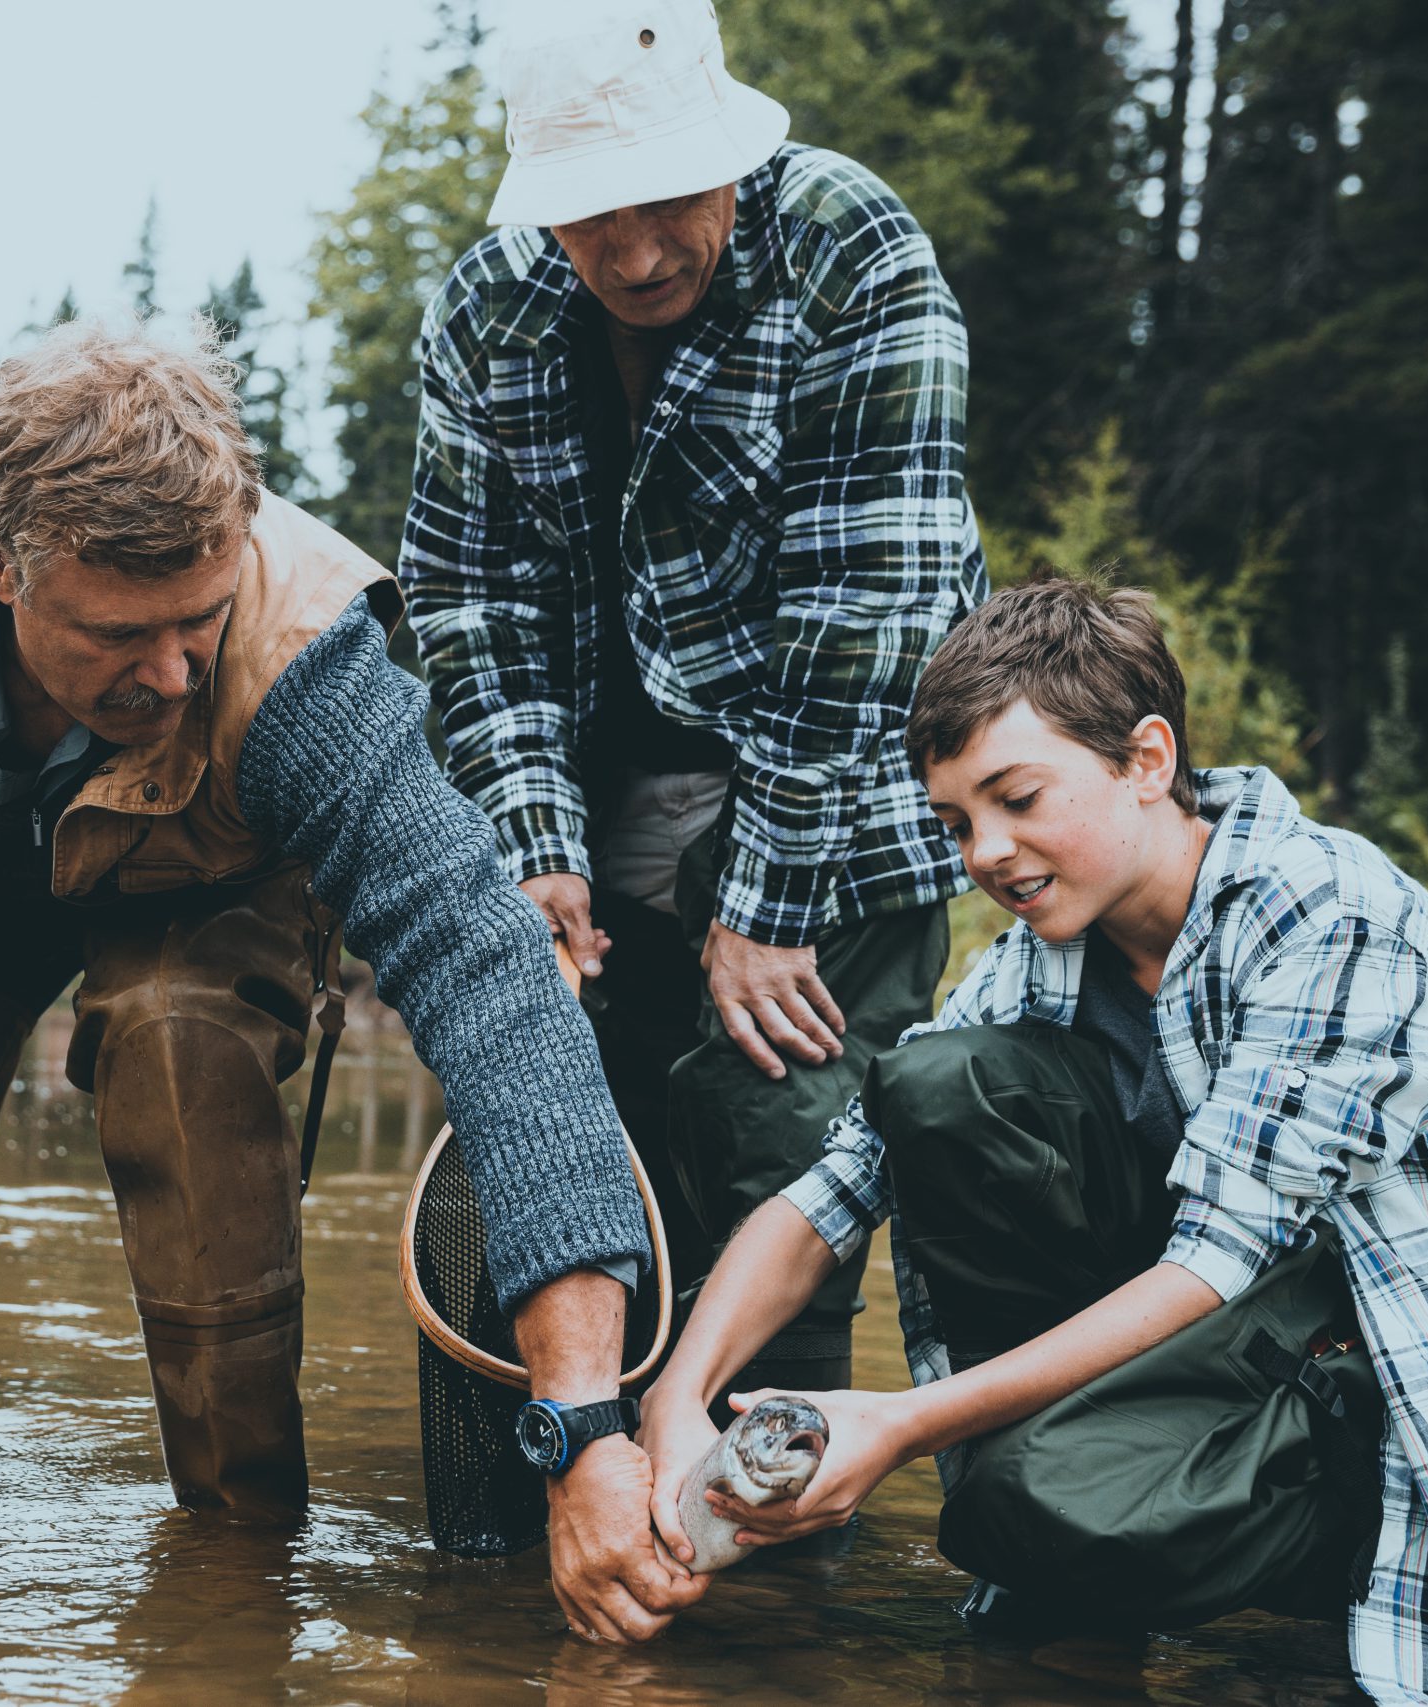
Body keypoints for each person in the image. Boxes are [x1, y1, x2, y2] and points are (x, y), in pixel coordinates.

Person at [0, 316, 702, 1640]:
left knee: (179, 1057)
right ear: (3, 564)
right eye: (121, 632)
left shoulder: (305, 663)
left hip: (210, 882)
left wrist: (581, 1418)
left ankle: (237, 1573)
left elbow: (488, 972)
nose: (170, 672)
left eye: (198, 621)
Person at [639, 574, 1428, 1704]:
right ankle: (1069, 1507)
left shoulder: (1335, 920)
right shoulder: (1045, 953)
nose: (985, 852)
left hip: (1375, 1399)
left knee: (1021, 1507)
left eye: (1018, 798)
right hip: (1221, 1345)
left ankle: (1365, 1558)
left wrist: (896, 1425)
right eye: (956, 823)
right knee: (933, 1085)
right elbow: (836, 1188)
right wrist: (674, 1398)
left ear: (1146, 760)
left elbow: (1217, 1259)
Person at [402, 0, 985, 1407]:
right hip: (594, 804)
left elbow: (871, 614)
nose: (638, 250)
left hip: (829, 812)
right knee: (570, 1156)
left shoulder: (853, 251)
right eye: (593, 215)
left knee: (781, 1140)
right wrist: (532, 848)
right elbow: (470, 601)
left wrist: (768, 903)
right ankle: (582, 1495)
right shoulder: (486, 313)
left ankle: (776, 1563)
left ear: (732, 157)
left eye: (669, 198)